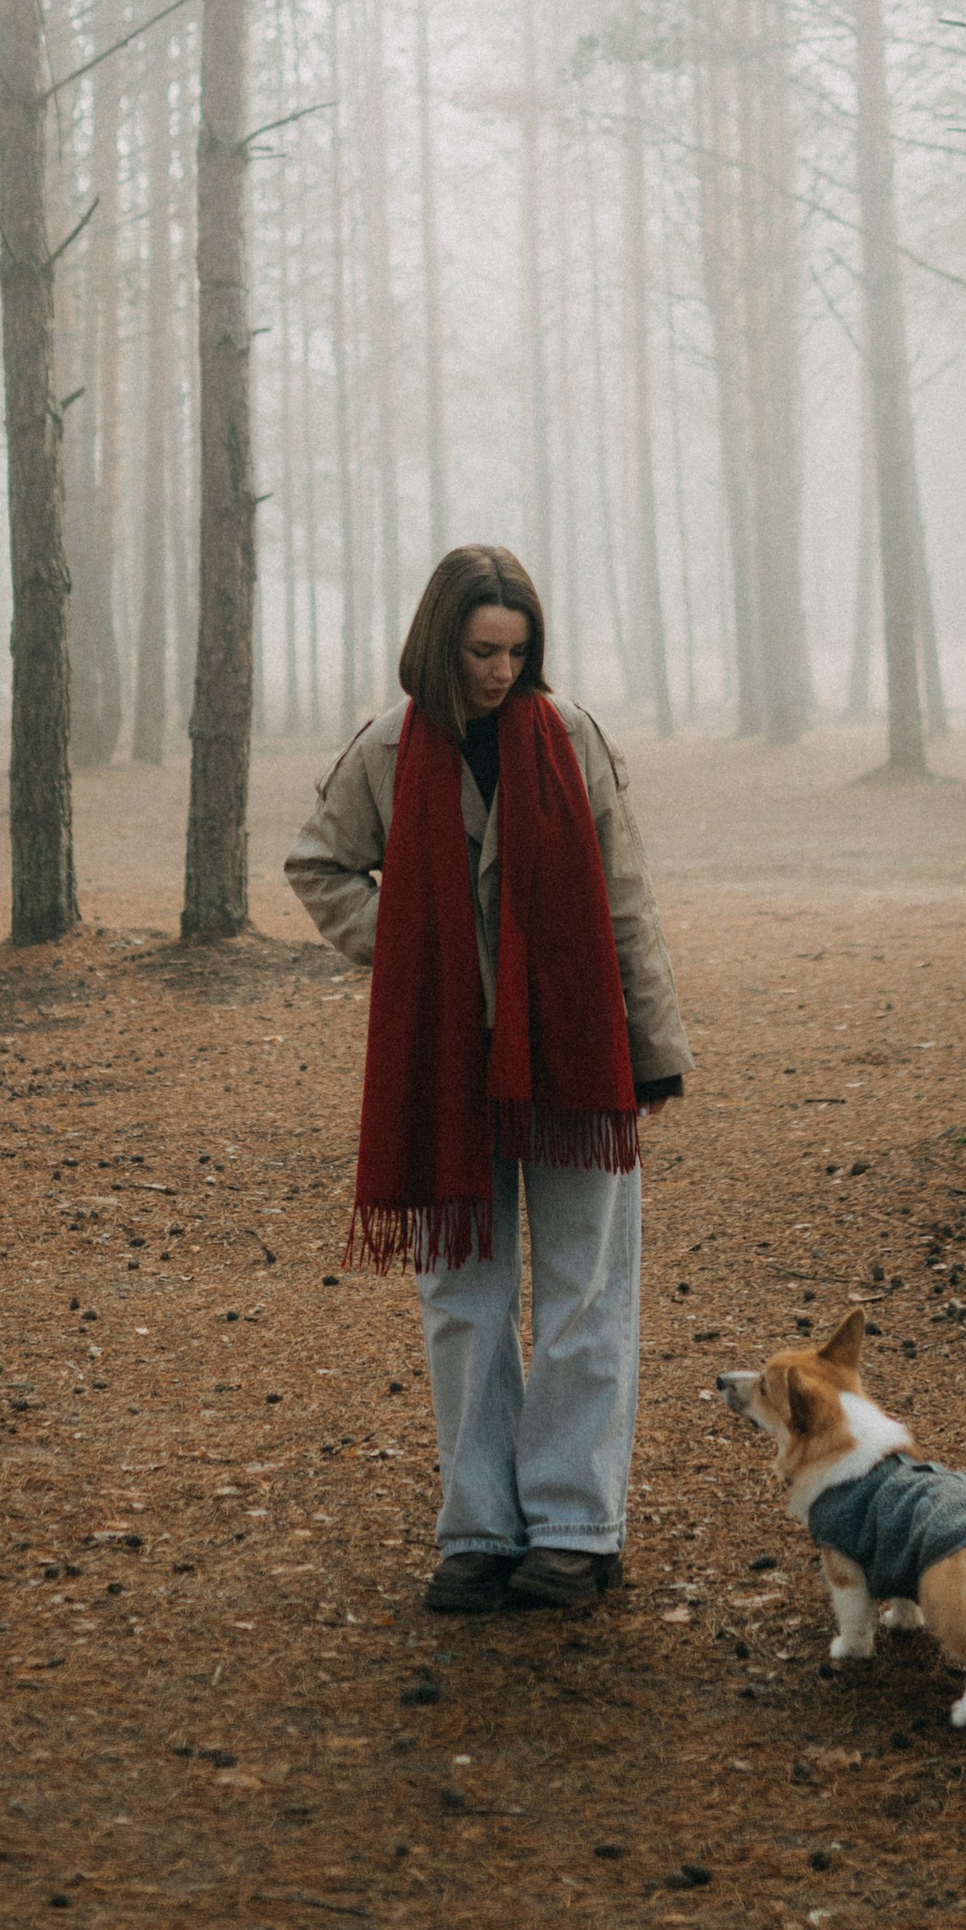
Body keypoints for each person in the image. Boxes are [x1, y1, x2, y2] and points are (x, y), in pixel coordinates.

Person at [286, 544, 690, 1615]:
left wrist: (653, 1050)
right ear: (440, 644)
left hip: (575, 1055)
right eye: (480, 651)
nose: (501, 671)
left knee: (583, 1292)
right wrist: (415, 948)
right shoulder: (387, 748)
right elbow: (317, 865)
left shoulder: (572, 737)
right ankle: (478, 1529)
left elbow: (626, 897)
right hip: (444, 1059)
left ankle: (574, 1527)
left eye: (517, 650)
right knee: (461, 1296)